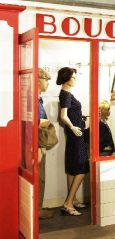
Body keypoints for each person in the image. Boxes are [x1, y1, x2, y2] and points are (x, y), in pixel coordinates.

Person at [58, 67, 89, 216]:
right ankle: (68, 203)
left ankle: (73, 200)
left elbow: (69, 114)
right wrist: (73, 127)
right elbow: (63, 116)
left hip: (74, 135)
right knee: (82, 168)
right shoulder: (66, 94)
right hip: (76, 136)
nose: (75, 79)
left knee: (72, 167)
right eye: (74, 77)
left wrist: (80, 119)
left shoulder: (67, 94)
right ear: (67, 78)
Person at [37, 68, 54, 219]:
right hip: (35, 144)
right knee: (38, 177)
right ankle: (37, 210)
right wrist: (44, 122)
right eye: (46, 80)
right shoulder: (33, 99)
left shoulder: (38, 99)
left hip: (40, 142)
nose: (48, 83)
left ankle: (38, 208)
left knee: (41, 176)